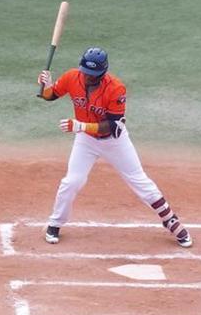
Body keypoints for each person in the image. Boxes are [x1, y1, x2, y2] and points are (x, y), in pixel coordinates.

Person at [37, 47, 193, 249]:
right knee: (72, 181)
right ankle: (55, 223)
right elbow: (50, 96)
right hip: (86, 140)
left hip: (114, 141)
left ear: (102, 74)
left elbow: (113, 125)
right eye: (85, 73)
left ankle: (170, 220)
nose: (87, 78)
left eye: (92, 75)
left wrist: (80, 126)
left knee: (139, 181)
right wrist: (47, 86)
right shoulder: (72, 77)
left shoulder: (116, 88)